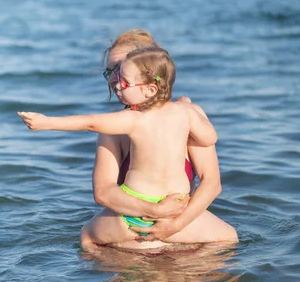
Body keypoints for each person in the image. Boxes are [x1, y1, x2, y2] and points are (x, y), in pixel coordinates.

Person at [18, 45, 226, 249]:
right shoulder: (186, 113)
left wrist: (47, 123)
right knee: (229, 238)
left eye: (124, 83)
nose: (116, 85)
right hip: (177, 210)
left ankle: (99, 276)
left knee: (87, 237)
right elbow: (209, 138)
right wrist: (190, 111)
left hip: (133, 215)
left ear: (150, 89)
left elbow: (89, 122)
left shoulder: (132, 120)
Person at [79, 30, 237, 250]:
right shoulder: (114, 127)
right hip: (178, 233)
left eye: (120, 67)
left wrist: (172, 225)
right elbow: (103, 191)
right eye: (110, 72)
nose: (115, 79)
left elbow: (212, 183)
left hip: (145, 233)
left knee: (87, 239)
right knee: (229, 240)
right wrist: (159, 214)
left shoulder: (186, 115)